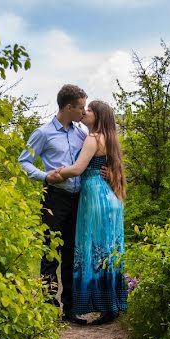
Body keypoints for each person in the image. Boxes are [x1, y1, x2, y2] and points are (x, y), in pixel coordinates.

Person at [49, 100, 128, 325]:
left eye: (90, 110)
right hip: (109, 197)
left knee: (94, 250)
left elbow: (78, 169)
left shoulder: (93, 138)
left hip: (94, 195)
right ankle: (111, 305)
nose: (85, 112)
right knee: (108, 250)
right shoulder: (108, 138)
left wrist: (55, 174)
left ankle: (104, 306)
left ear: (99, 116)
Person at [18, 84, 89, 325]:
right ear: (68, 107)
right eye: (80, 107)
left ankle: (70, 309)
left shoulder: (80, 133)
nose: (83, 111)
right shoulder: (43, 133)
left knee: (71, 253)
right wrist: (44, 176)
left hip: (78, 199)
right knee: (50, 253)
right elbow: (24, 161)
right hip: (54, 198)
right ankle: (49, 310)